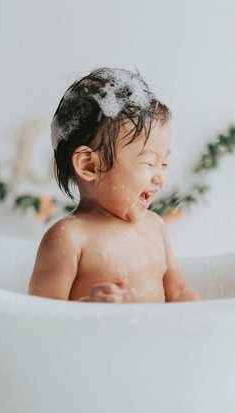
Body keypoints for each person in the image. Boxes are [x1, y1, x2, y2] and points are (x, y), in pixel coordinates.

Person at [28, 67, 200, 303]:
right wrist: (89, 308)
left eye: (164, 164)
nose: (160, 177)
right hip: (98, 340)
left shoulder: (155, 227)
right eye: (149, 163)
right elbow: (38, 316)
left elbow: (178, 291)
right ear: (89, 166)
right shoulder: (69, 238)